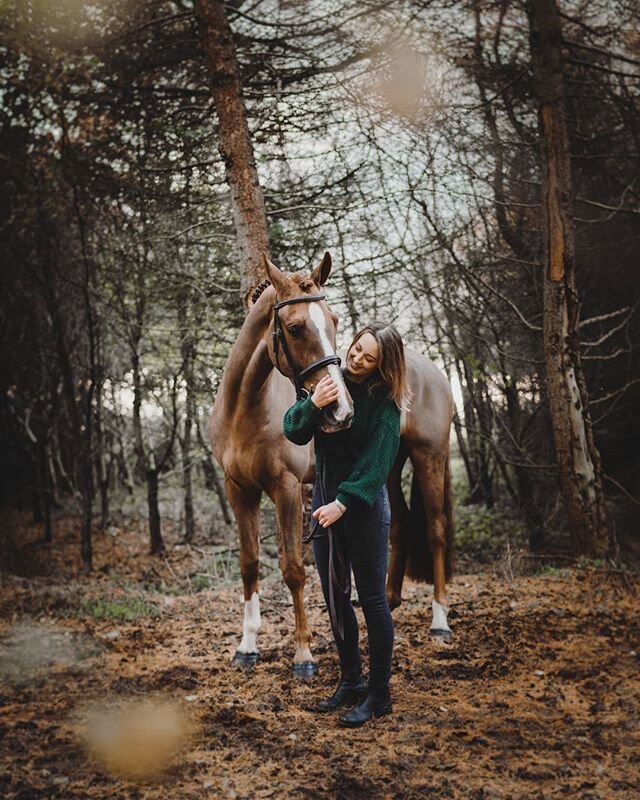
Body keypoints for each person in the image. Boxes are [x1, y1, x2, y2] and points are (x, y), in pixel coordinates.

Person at [283, 322, 408, 728]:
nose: (356, 359)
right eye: (356, 349)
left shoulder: (386, 403)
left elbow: (378, 464)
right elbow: (294, 431)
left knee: (372, 600)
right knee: (336, 598)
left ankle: (380, 694)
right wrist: (312, 403)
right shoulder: (328, 378)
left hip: (363, 508)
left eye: (368, 358)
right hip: (324, 504)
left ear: (382, 365)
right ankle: (351, 681)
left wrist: (343, 502)